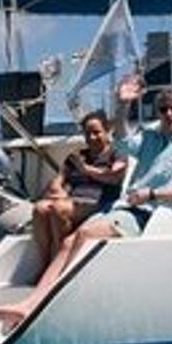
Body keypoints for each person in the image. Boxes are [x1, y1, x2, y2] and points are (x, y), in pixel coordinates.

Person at [0, 76, 172, 330]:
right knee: (69, 241)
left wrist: (151, 194)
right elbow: (121, 142)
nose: (170, 114)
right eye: (164, 109)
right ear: (158, 112)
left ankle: (35, 305)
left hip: (145, 213)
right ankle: (32, 301)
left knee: (84, 233)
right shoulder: (150, 137)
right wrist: (123, 105)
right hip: (122, 208)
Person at [29, 111, 126, 266]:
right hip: (72, 201)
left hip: (101, 202)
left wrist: (86, 170)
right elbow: (57, 181)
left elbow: (113, 176)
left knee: (59, 209)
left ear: (107, 131)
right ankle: (44, 262)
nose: (92, 138)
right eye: (87, 133)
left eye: (96, 132)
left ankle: (59, 263)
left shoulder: (117, 154)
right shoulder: (76, 156)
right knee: (40, 209)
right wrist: (57, 190)